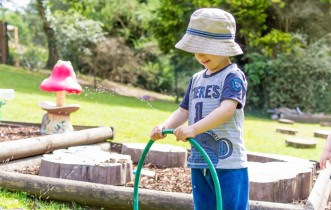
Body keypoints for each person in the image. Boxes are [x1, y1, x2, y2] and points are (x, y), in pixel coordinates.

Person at [150, 8, 249, 210]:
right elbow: (183, 110)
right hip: (199, 160)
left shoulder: (233, 76)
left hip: (228, 163)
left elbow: (227, 110)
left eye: (206, 47)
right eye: (195, 49)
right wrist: (165, 125)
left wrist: (194, 129)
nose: (199, 54)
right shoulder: (196, 79)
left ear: (224, 47)